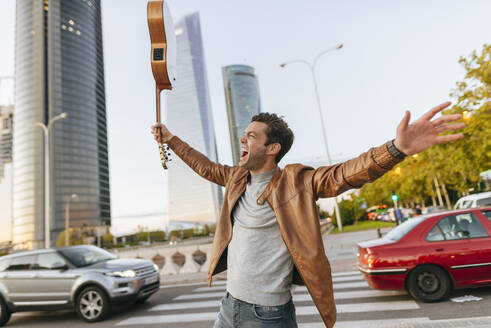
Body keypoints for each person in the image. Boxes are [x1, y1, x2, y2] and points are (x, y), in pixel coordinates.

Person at [152, 101, 464, 328]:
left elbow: (346, 173)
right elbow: (205, 166)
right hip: (228, 305)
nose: (242, 139)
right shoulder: (236, 178)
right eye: (244, 134)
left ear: (273, 148)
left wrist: (395, 149)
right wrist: (171, 139)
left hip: (267, 316)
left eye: (251, 136)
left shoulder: (296, 181)